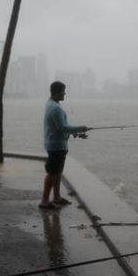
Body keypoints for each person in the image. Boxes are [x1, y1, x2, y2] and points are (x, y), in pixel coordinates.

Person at [40, 81, 87, 210]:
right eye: (63, 91)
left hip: (55, 144)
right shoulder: (56, 108)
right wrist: (81, 128)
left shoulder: (50, 103)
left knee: (57, 173)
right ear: (56, 92)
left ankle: (57, 197)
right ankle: (44, 201)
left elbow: (59, 127)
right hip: (56, 147)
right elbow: (63, 128)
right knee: (52, 174)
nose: (64, 93)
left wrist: (76, 134)